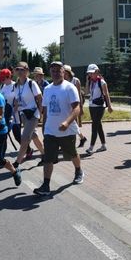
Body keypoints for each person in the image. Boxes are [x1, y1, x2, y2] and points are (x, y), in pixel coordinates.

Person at [34, 62, 83, 196]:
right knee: (48, 158)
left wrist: (67, 122)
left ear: (63, 72)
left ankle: (78, 170)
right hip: (51, 131)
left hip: (67, 131)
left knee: (72, 154)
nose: (55, 73)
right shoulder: (48, 89)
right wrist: (44, 128)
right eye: (53, 71)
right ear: (50, 72)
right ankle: (46, 185)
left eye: (58, 70)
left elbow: (77, 108)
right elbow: (45, 110)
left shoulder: (69, 87)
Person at [13, 61, 45, 167]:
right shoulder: (16, 85)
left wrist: (40, 114)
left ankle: (17, 162)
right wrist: (14, 111)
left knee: (25, 137)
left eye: (22, 69)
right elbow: (17, 100)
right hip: (24, 115)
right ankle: (45, 155)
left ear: (27, 71)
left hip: (33, 114)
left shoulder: (32, 83)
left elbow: (40, 99)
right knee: (34, 136)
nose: (20, 72)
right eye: (18, 69)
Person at [85, 64, 113, 154]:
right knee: (98, 125)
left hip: (100, 106)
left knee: (94, 126)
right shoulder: (90, 82)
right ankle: (103, 145)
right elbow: (86, 92)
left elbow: (106, 94)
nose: (90, 75)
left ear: (97, 72)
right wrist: (87, 82)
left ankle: (91, 147)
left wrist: (109, 106)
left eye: (92, 73)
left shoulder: (102, 82)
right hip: (91, 106)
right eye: (89, 73)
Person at [0, 68, 21, 163]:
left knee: (17, 136)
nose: (3, 80)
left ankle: (28, 149)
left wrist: (12, 113)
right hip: (5, 115)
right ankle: (1, 158)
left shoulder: (15, 86)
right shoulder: (2, 86)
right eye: (2, 79)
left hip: (15, 115)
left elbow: (17, 101)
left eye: (4, 78)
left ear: (9, 77)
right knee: (4, 136)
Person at [63, 64, 87, 147]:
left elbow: (79, 94)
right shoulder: (62, 81)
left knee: (73, 123)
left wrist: (81, 107)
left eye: (65, 72)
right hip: (66, 105)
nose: (64, 74)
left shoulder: (76, 81)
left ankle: (71, 143)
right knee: (72, 124)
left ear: (69, 72)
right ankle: (82, 138)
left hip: (74, 105)